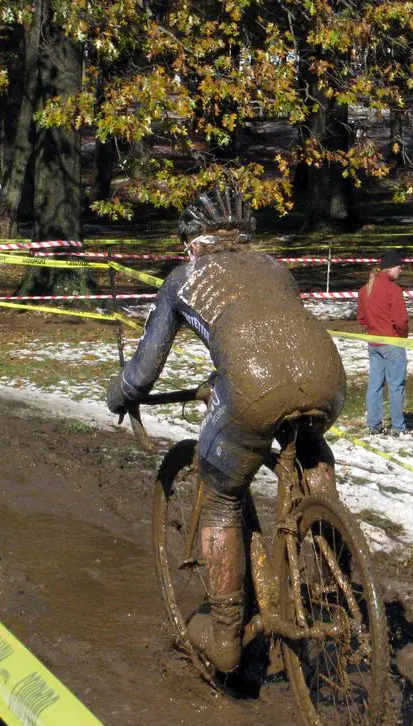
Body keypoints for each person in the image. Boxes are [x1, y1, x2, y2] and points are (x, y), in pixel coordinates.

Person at [106, 187, 346, 674]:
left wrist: (122, 394)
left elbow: (145, 369)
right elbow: (273, 334)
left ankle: (225, 635)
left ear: (192, 242)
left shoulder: (183, 278)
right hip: (327, 374)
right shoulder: (274, 267)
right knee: (309, 449)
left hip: (253, 386)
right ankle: (334, 571)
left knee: (221, 497)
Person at [357, 252, 409, 436]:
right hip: (392, 342)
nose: (400, 271)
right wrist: (402, 336)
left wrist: (372, 329)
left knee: (375, 385)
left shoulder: (365, 290)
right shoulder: (393, 290)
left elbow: (361, 318)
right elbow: (400, 320)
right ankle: (398, 427)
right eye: (399, 267)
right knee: (396, 386)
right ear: (391, 268)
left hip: (374, 344)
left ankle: (374, 425)